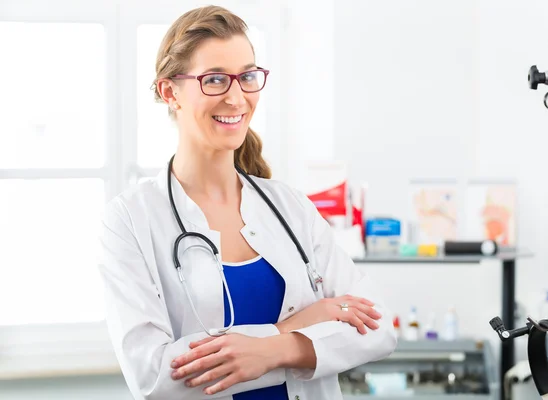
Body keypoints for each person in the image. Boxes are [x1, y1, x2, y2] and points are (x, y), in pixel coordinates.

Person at [98, 5, 397, 400]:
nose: (237, 98)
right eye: (216, 80)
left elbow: (378, 327)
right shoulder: (130, 219)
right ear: (170, 91)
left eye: (248, 77)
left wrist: (274, 349)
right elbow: (154, 377)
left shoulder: (289, 207)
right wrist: (296, 328)